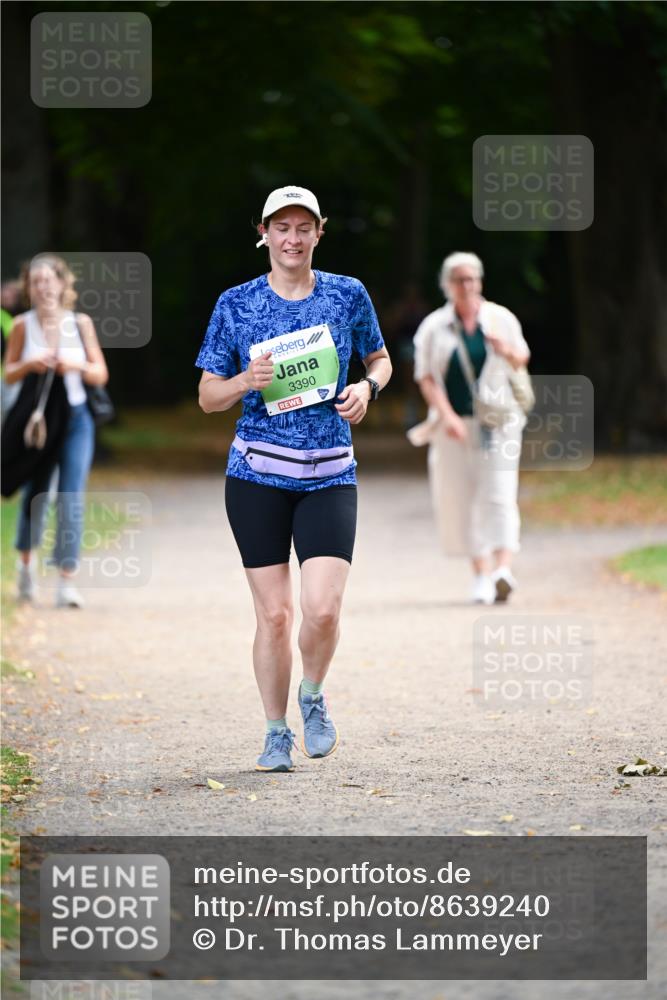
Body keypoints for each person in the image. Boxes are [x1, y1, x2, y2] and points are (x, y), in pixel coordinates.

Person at [196, 185, 392, 773]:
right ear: (264, 234)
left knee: (324, 609)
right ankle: (275, 731)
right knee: (275, 615)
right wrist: (243, 383)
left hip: (330, 473)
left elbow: (378, 359)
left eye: (303, 227)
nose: (292, 238)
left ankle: (312, 694)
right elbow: (208, 397)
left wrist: (367, 387)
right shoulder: (236, 303)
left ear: (318, 233)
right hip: (257, 473)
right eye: (281, 227)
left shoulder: (347, 294)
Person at [411, 251, 530, 605]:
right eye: (460, 279)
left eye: (472, 279)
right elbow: (426, 377)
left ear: (480, 282)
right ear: (447, 285)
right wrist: (447, 417)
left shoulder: (500, 319)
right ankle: (479, 573)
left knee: (500, 492)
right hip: (454, 424)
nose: (467, 286)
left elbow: (522, 358)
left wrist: (505, 349)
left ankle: (502, 570)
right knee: (460, 498)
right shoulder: (434, 326)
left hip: (499, 421)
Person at [3, 254, 109, 608]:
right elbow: (8, 373)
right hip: (40, 423)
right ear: (28, 288)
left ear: (63, 284)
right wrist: (29, 364)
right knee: (37, 494)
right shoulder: (21, 325)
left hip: (77, 421)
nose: (43, 286)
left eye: (49, 279)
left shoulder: (80, 323)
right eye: (36, 281)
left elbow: (100, 374)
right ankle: (26, 566)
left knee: (71, 498)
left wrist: (74, 365)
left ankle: (66, 580)